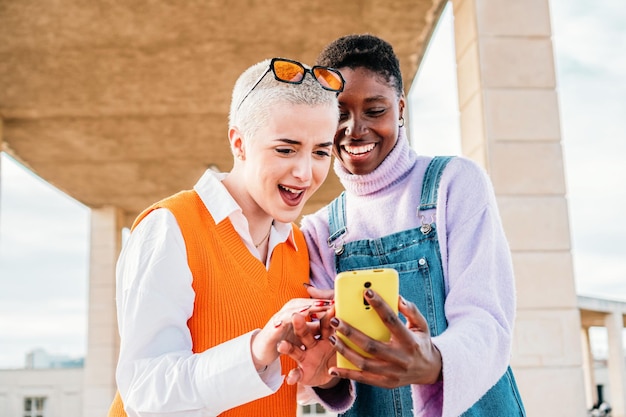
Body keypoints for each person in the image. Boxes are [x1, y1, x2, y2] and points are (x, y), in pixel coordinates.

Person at [290, 34, 527, 416]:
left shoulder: (455, 183)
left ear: (400, 109)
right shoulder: (319, 230)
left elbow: (486, 318)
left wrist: (433, 361)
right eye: (340, 113)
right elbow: (334, 371)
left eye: (375, 110)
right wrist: (324, 374)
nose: (354, 129)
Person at [106, 57, 346, 417]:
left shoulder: (298, 247)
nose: (304, 172)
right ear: (239, 143)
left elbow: (275, 390)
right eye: (285, 149)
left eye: (321, 152)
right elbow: (145, 391)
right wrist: (256, 349)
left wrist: (323, 368)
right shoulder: (170, 227)